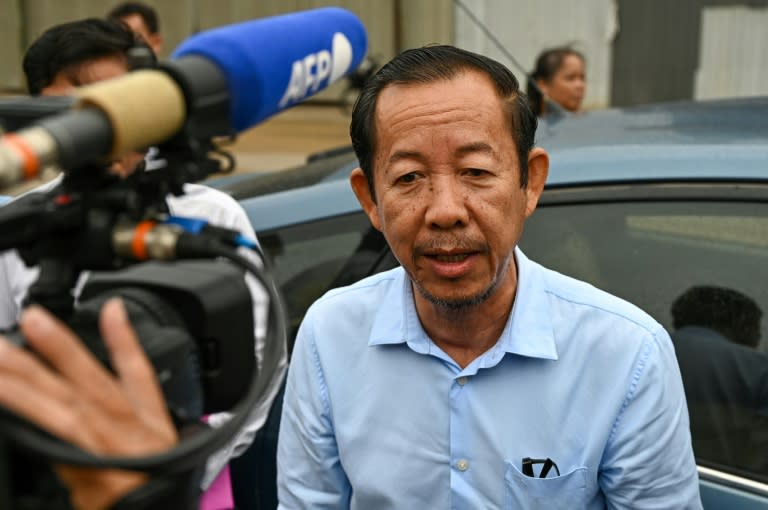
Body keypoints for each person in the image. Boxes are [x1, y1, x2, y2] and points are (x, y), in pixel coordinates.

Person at [276, 45, 702, 508]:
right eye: (410, 177)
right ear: (370, 200)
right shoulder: (330, 335)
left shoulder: (626, 355)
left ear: (530, 182)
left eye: (476, 171)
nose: (445, 212)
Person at [0, 17, 287, 507]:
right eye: (70, 111)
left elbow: (256, 371)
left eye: (112, 106)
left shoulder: (211, 217)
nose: (97, 132)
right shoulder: (22, 224)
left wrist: (169, 472)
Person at [670, 285, 768, 474]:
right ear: (745, 328)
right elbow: (760, 460)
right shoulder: (760, 369)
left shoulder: (637, 351)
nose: (758, 338)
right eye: (758, 330)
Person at [527, 46, 586, 117]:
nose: (580, 85)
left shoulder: (591, 123)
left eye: (582, 78)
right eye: (570, 78)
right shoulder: (529, 126)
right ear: (542, 85)